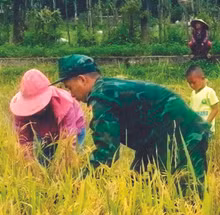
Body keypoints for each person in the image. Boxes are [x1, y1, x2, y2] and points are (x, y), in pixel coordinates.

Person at [54, 54, 210, 193]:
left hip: (184, 134)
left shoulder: (102, 96)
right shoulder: (106, 88)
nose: (71, 95)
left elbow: (107, 152)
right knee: (139, 187)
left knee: (188, 193)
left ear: (82, 79)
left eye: (69, 87)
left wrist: (75, 185)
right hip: (155, 139)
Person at [10, 69, 86, 166]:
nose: (36, 110)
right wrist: (31, 167)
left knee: (73, 162)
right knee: (44, 162)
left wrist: (63, 169)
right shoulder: (20, 110)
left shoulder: (64, 103)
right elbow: (24, 142)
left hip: (73, 128)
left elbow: (69, 143)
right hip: (44, 133)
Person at [186, 64, 220, 135]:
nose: (192, 85)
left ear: (202, 79)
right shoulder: (193, 93)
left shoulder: (209, 92)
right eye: (189, 83)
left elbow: (215, 109)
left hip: (206, 130)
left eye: (194, 82)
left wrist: (206, 123)